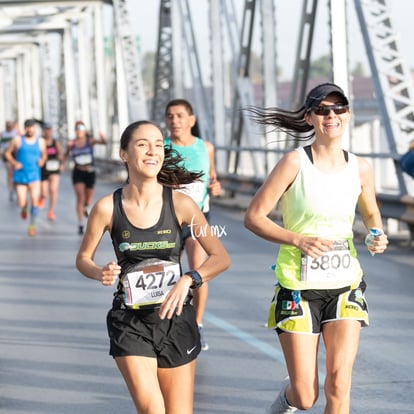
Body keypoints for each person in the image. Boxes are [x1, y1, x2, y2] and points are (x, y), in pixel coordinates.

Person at [243, 83, 389, 414]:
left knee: (339, 384)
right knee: (305, 395)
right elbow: (253, 217)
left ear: (348, 114)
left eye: (338, 108)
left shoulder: (360, 168)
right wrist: (298, 239)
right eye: (322, 110)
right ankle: (288, 399)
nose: (331, 115)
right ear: (309, 118)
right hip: (298, 287)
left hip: (345, 285)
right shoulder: (294, 163)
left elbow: (370, 212)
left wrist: (375, 235)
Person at [75, 120, 230, 414]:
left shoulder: (182, 204)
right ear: (124, 154)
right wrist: (99, 272)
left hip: (176, 320)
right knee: (152, 410)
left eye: (158, 144)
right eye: (142, 144)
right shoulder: (107, 207)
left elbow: (220, 257)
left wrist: (190, 279)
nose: (153, 151)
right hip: (130, 321)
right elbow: (83, 258)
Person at [165, 99, 222, 351]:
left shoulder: (205, 148)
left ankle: (197, 324)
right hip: (167, 218)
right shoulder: (161, 148)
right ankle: (168, 322)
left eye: (179, 115)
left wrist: (216, 186)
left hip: (198, 218)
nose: (174, 120)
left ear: (191, 120)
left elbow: (213, 178)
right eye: (170, 116)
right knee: (168, 272)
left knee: (199, 269)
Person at [4, 119, 47, 236]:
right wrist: (14, 163)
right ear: (25, 128)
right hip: (21, 175)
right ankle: (24, 207)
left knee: (35, 200)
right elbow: (7, 153)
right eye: (27, 127)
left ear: (34, 128)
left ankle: (31, 226)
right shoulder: (18, 140)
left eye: (32, 127)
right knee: (21, 202)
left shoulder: (40, 141)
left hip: (34, 176)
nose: (30, 129)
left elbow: (44, 154)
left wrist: (42, 161)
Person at [64, 120, 106, 235]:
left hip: (90, 172)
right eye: (77, 129)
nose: (79, 131)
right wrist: (62, 164)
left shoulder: (90, 141)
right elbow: (65, 155)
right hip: (78, 172)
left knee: (88, 200)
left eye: (81, 128)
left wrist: (102, 137)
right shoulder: (71, 143)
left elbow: (104, 143)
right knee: (80, 197)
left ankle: (86, 208)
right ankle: (81, 223)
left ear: (85, 130)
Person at [38, 122, 64, 220]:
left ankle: (51, 211)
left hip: (54, 168)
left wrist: (61, 164)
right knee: (45, 193)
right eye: (46, 130)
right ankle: (42, 197)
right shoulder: (40, 141)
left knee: (53, 190)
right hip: (43, 169)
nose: (48, 132)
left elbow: (60, 154)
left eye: (49, 130)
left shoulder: (55, 142)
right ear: (43, 131)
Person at [1, 120, 20, 201]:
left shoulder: (16, 133)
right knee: (10, 171)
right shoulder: (3, 134)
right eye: (7, 125)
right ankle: (11, 189)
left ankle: (15, 184)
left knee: (16, 170)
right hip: (6, 153)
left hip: (15, 154)